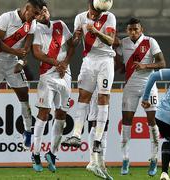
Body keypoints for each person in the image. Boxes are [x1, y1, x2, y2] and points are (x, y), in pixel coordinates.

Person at [61, 0, 116, 178]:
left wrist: (96, 31)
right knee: (83, 97)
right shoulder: (79, 18)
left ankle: (98, 141)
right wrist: (76, 37)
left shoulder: (110, 17)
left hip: (105, 61)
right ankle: (76, 135)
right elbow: (75, 44)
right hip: (88, 61)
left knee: (103, 98)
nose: (99, 13)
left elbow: (110, 41)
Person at [0, 0, 41, 152]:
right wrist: (16, 52)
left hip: (13, 63)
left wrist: (20, 60)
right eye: (34, 13)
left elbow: (26, 46)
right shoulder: (6, 18)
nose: (35, 17)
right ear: (27, 8)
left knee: (24, 96)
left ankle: (27, 132)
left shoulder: (31, 23)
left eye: (38, 14)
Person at [115, 17, 166, 176]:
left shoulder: (150, 42)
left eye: (136, 29)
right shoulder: (123, 43)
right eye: (130, 29)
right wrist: (113, 52)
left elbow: (162, 63)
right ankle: (125, 160)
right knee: (127, 123)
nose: (133, 32)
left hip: (149, 87)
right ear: (127, 31)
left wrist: (145, 65)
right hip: (130, 87)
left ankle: (153, 160)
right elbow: (120, 68)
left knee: (152, 123)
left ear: (141, 29)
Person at [31, 0, 76, 173]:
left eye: (45, 10)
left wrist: (64, 63)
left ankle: (51, 153)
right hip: (47, 76)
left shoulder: (60, 25)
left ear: (48, 11)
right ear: (36, 15)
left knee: (62, 114)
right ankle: (35, 154)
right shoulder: (35, 29)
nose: (43, 13)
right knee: (43, 113)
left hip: (65, 75)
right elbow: (37, 53)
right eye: (39, 12)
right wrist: (57, 63)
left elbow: (72, 45)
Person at [86, 91, 112, 179]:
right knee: (96, 123)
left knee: (104, 127)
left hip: (106, 90)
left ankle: (102, 166)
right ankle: (93, 161)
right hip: (98, 91)